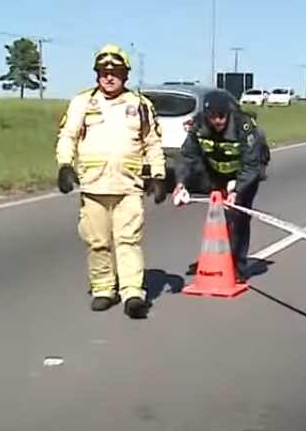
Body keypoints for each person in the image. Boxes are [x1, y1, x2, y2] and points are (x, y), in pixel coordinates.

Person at [55, 44, 168, 319]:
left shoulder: (140, 105)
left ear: (125, 75)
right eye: (104, 72)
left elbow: (151, 142)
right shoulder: (82, 102)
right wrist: (65, 165)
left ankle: (132, 294)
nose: (109, 77)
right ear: (97, 75)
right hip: (93, 186)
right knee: (98, 242)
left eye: (115, 72)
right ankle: (103, 289)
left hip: (128, 186)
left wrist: (158, 174)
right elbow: (68, 136)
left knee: (128, 241)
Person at [172, 92, 267, 282]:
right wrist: (181, 183)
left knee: (238, 219)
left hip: (244, 175)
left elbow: (252, 164)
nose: (217, 121)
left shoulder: (244, 126)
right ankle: (214, 260)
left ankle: (238, 265)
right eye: (212, 116)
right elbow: (188, 156)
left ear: (228, 113)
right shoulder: (198, 124)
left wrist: (238, 190)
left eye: (221, 116)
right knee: (217, 218)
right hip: (217, 173)